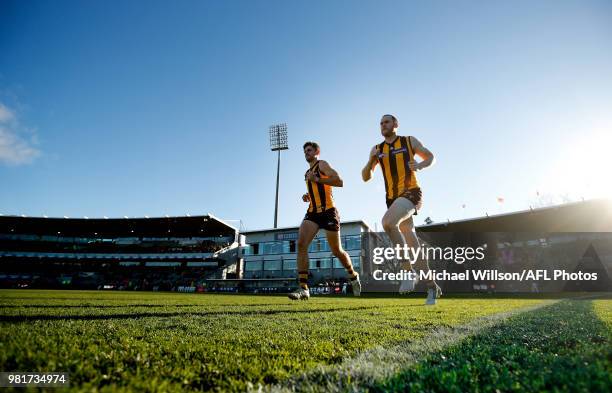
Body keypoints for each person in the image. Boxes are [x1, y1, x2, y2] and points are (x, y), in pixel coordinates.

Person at [361, 114, 441, 305]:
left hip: (411, 192)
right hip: (392, 199)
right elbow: (366, 177)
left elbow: (431, 157)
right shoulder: (377, 149)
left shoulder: (408, 140)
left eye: (386, 122)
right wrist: (370, 160)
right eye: (380, 123)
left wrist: (420, 165)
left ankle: (407, 271)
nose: (383, 125)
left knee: (388, 223)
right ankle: (431, 286)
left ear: (396, 124)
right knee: (412, 241)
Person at [288, 141, 361, 300]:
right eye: (304, 151)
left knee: (336, 251)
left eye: (309, 150)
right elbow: (315, 188)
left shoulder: (322, 165)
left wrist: (318, 179)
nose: (306, 153)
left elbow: (339, 181)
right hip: (313, 213)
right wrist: (308, 196)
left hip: (328, 212)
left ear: (317, 151)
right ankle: (303, 289)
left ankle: (353, 275)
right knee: (301, 244)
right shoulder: (307, 173)